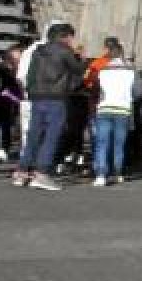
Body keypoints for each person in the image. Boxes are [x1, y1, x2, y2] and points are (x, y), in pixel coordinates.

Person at [15, 23, 88, 191]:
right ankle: (41, 173)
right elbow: (78, 71)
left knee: (34, 134)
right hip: (56, 97)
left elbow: (30, 75)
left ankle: (22, 171)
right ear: (66, 36)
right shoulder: (65, 51)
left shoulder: (38, 51)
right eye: (71, 37)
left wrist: (31, 92)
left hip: (37, 96)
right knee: (51, 135)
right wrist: (82, 59)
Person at [91, 39, 135, 186]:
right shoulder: (130, 70)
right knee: (119, 144)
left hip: (104, 108)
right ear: (122, 54)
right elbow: (136, 91)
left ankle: (100, 175)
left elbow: (97, 88)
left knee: (102, 143)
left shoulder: (103, 70)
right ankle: (117, 173)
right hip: (122, 110)